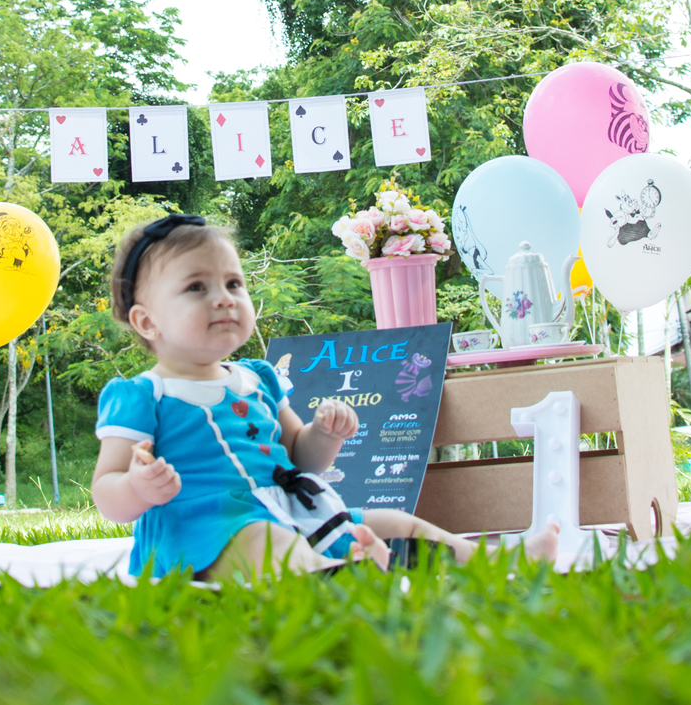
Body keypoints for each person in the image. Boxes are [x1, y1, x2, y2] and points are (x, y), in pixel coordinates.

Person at [91, 214, 559, 581]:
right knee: (269, 543)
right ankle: (346, 580)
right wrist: (135, 488)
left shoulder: (258, 378)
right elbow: (106, 492)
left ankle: (496, 563)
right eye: (197, 287)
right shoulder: (143, 395)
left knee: (393, 521)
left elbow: (301, 459)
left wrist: (324, 435)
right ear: (147, 322)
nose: (225, 298)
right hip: (204, 530)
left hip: (291, 507)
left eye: (234, 283)